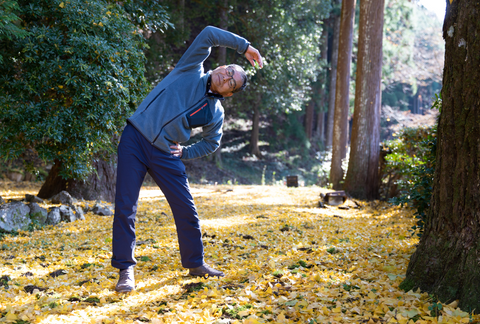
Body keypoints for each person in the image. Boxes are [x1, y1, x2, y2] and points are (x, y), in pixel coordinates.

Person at [112, 26, 263, 293]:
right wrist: (244, 46)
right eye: (228, 71)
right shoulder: (191, 68)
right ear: (223, 65)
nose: (226, 77)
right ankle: (126, 270)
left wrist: (185, 152)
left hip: (165, 154)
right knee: (126, 207)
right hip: (135, 139)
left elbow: (211, 142)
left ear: (229, 93)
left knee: (187, 209)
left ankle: (195, 263)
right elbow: (208, 33)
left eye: (232, 82)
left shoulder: (215, 112)